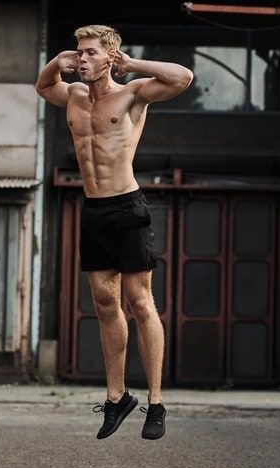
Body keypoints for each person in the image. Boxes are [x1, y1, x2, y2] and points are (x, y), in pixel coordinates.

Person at [36, 25, 193, 440]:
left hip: (127, 207)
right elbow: (42, 86)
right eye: (78, 53)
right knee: (106, 305)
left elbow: (183, 77)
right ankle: (117, 397)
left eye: (88, 53)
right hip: (94, 211)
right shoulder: (72, 95)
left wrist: (132, 63)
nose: (80, 59)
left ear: (109, 57)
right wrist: (57, 62)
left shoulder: (133, 94)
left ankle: (156, 402)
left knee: (140, 302)